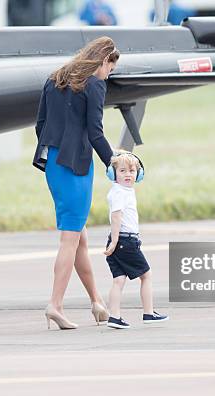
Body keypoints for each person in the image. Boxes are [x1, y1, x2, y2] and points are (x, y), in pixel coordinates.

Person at [33, 36, 118, 330]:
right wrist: (114, 162)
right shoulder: (94, 85)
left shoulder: (54, 79)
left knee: (78, 234)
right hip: (77, 165)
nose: (109, 74)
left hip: (54, 164)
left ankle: (97, 301)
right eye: (110, 68)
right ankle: (54, 305)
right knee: (70, 239)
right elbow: (95, 132)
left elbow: (40, 125)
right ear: (103, 60)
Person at [103, 152, 168, 329]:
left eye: (132, 171)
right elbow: (116, 217)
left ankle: (114, 317)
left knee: (119, 279)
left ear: (138, 175)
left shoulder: (121, 191)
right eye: (122, 171)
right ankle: (148, 312)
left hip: (121, 241)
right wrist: (115, 241)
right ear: (113, 174)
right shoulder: (120, 193)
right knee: (146, 275)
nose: (128, 174)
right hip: (124, 241)